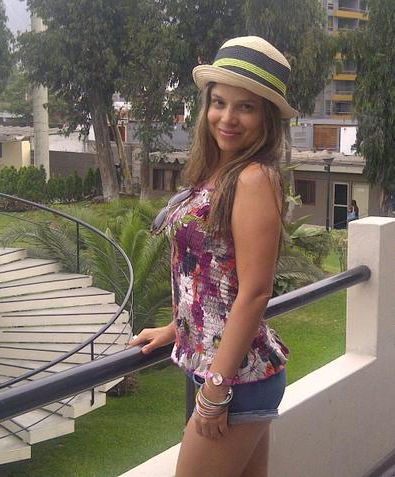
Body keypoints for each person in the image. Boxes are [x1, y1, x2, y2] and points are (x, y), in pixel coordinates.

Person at [130, 36, 294, 477]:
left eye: (246, 107)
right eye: (219, 102)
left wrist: (216, 389)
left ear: (266, 117)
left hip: (234, 380)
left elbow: (255, 292)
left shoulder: (253, 179)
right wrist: (176, 329)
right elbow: (211, 277)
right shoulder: (221, 172)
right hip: (231, 372)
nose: (227, 117)